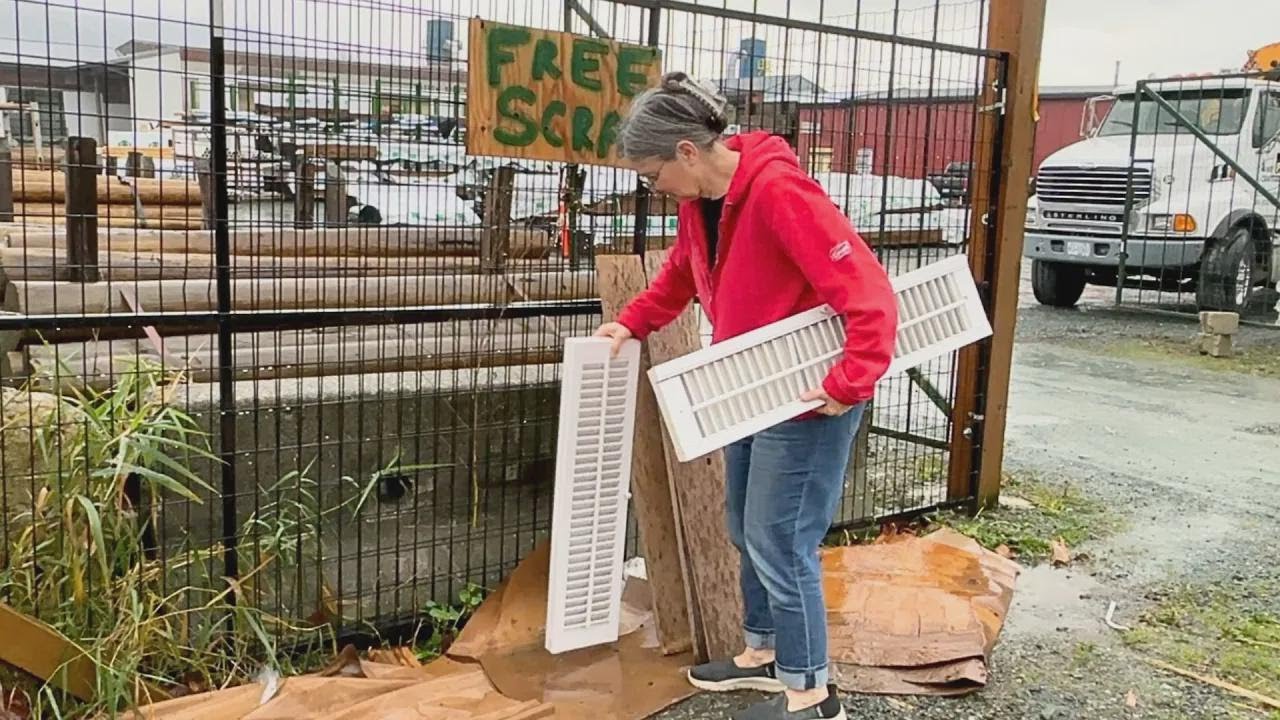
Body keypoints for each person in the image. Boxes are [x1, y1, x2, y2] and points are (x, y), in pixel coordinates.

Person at [594, 72, 898, 720]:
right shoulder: (701, 203)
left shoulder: (780, 191)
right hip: (753, 385)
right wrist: (632, 320)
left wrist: (851, 382)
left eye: (652, 175)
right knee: (744, 524)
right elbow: (682, 271)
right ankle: (765, 654)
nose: (653, 189)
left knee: (782, 538)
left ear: (685, 151)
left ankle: (813, 693)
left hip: (809, 397)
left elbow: (869, 293)